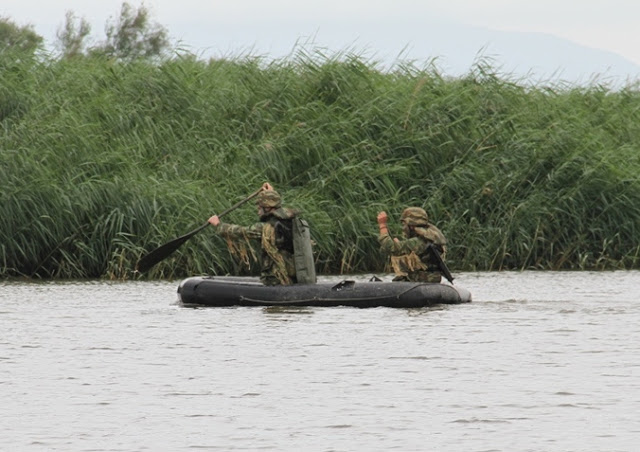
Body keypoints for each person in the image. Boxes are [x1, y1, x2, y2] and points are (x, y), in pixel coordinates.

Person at [208, 183, 298, 286]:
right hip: (291, 276)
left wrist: (219, 225)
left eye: (260, 207)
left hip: (277, 279)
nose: (257, 210)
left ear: (268, 208)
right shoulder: (288, 221)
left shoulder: (266, 228)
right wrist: (270, 193)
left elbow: (242, 232)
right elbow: (277, 205)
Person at [377, 207, 448, 283]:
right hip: (425, 280)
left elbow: (392, 248)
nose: (403, 228)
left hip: (422, 282)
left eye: (404, 224)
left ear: (411, 226)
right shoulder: (429, 239)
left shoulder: (419, 242)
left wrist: (382, 225)